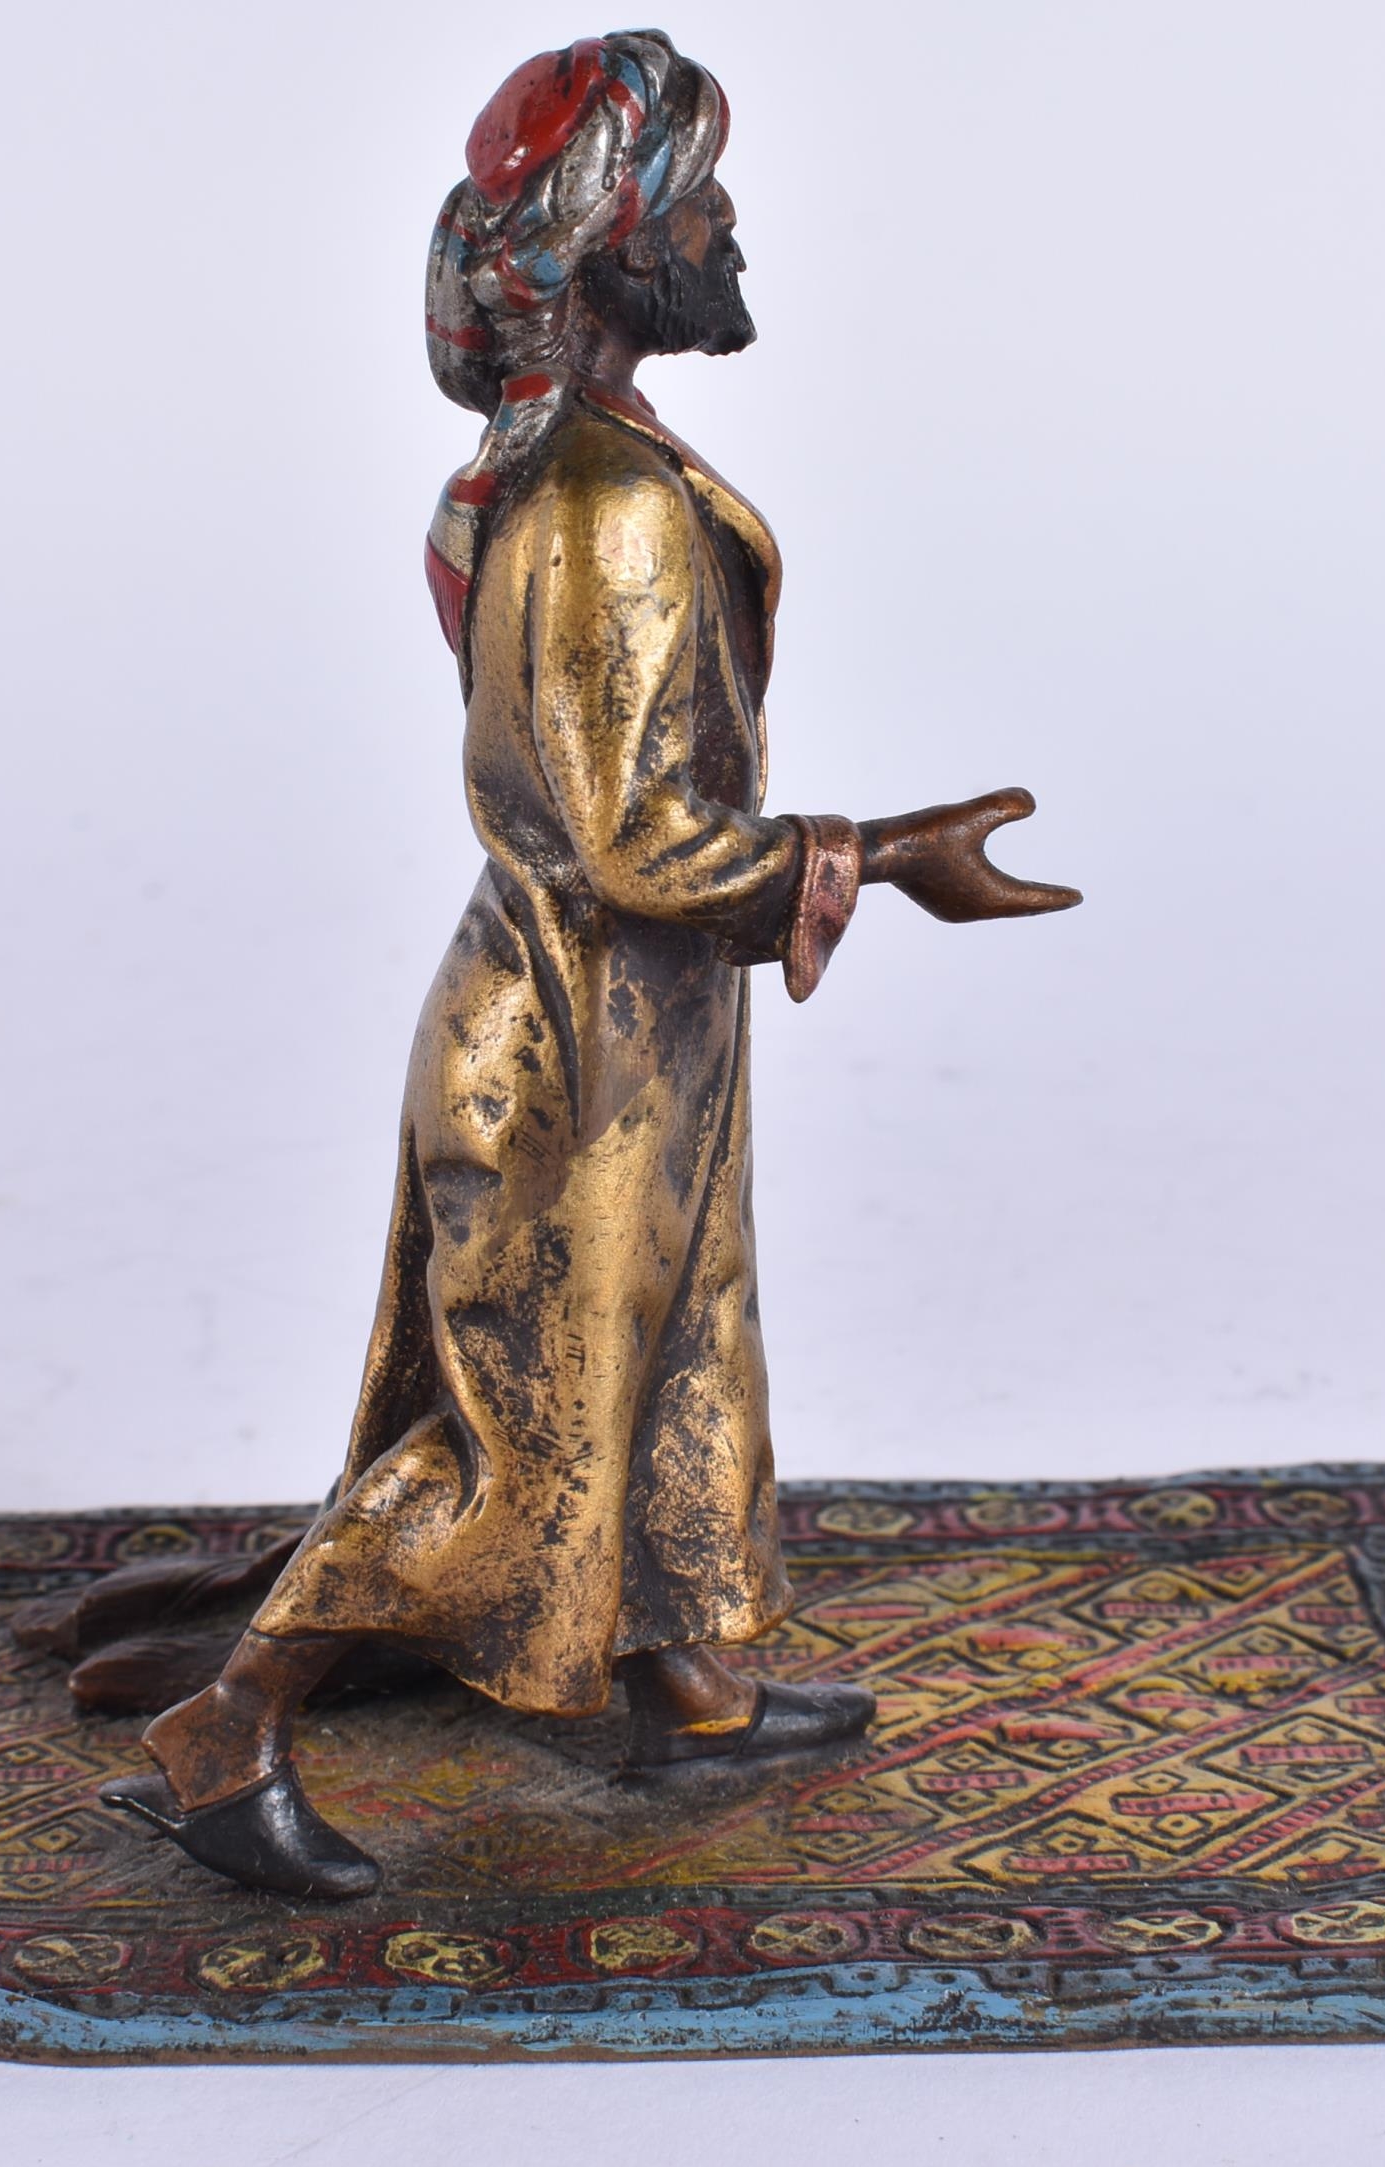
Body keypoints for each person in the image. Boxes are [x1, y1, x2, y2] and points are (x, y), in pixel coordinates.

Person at [101, 30, 1078, 1897]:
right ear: (619, 247)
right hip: (569, 1039)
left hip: (640, 1029)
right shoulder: (599, 506)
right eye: (698, 200)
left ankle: (692, 1688)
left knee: (679, 1352)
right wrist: (882, 857)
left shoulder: (603, 464)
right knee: (523, 1424)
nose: (730, 226)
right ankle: (226, 1727)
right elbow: (633, 841)